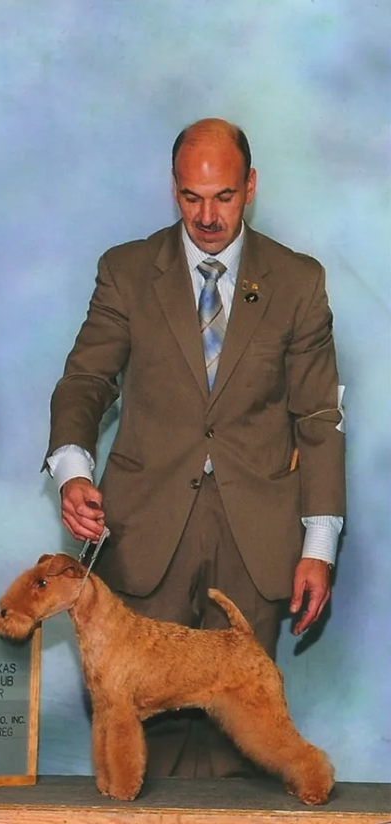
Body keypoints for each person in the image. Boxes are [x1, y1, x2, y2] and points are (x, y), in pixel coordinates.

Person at [45, 118, 345, 778]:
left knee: (241, 752)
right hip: (143, 534)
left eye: (224, 197)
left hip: (254, 540)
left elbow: (319, 418)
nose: (207, 217)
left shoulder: (298, 281)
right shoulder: (126, 271)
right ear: (173, 188)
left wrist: (319, 547)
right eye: (191, 197)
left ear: (251, 187)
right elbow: (86, 381)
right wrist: (72, 469)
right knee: (135, 750)